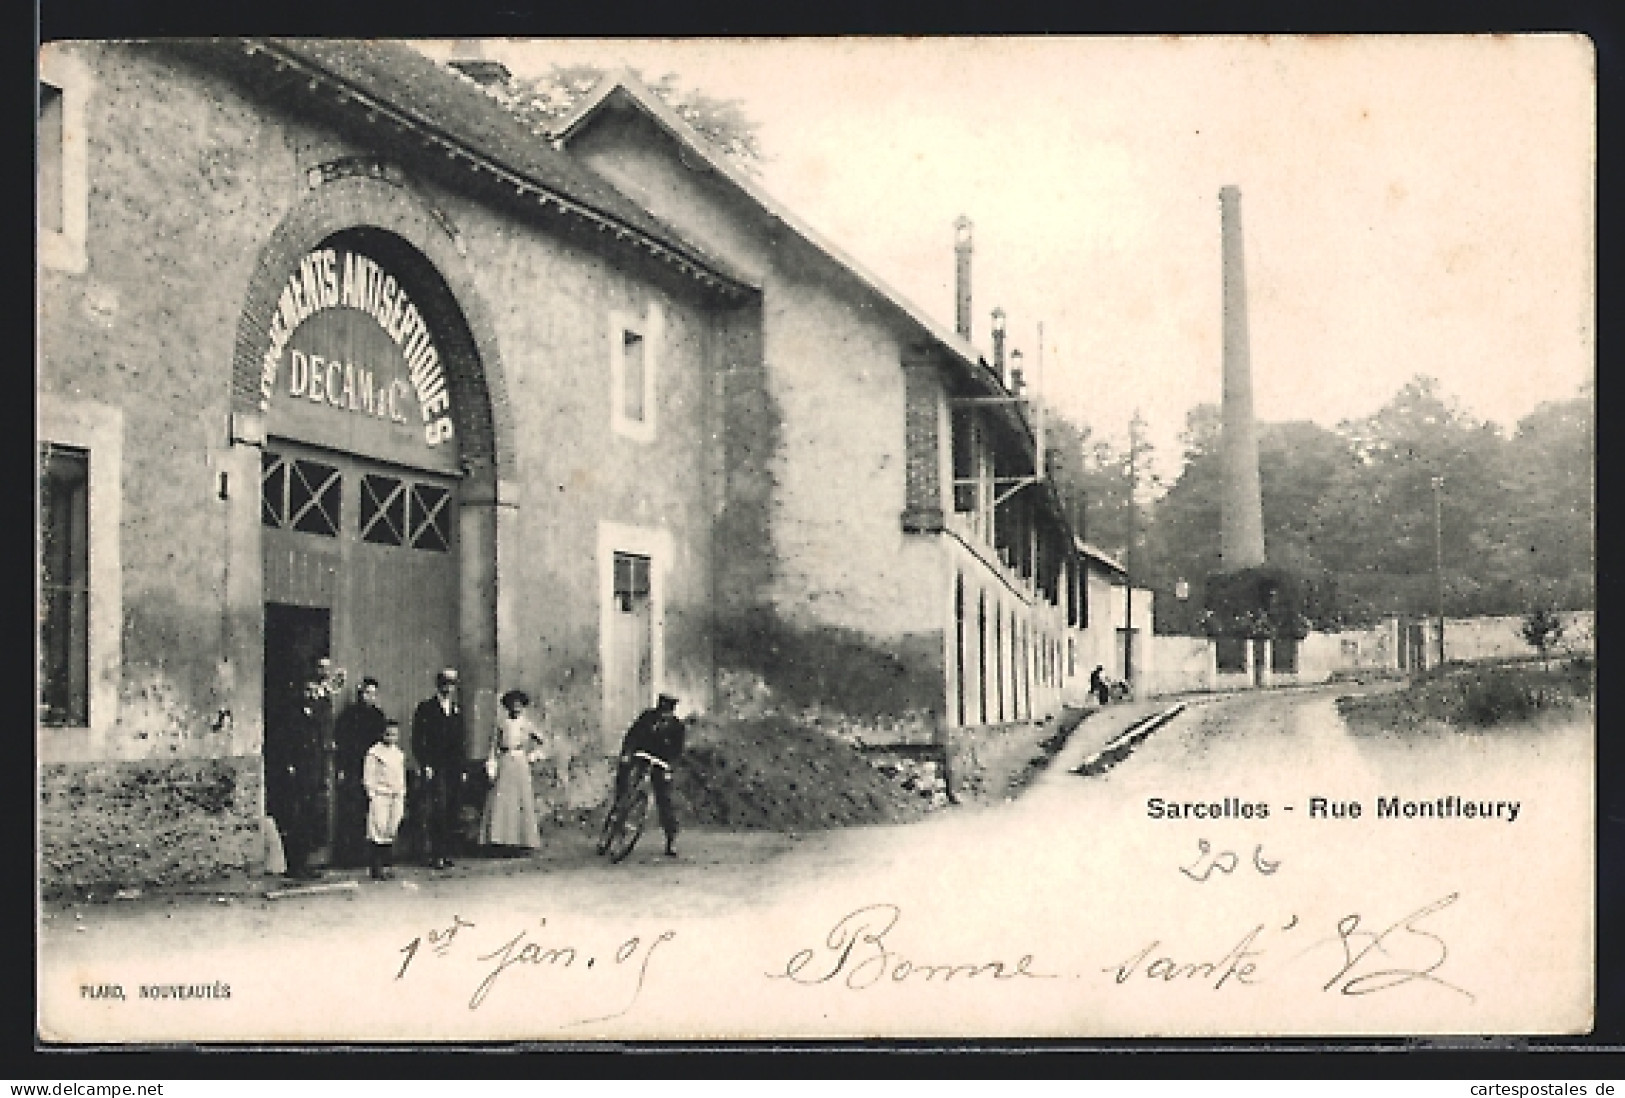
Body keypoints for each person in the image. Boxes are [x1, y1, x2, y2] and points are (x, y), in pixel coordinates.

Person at [268, 656, 342, 879]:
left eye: (314, 689)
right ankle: (294, 863)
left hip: (314, 768)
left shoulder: (321, 708)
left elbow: (323, 736)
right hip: (298, 770)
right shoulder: (293, 712)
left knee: (312, 815)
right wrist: (290, 764)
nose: (311, 692)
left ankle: (306, 862)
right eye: (308, 689)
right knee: (296, 815)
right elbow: (287, 739)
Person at [613, 693, 687, 857]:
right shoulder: (646, 718)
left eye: (667, 712)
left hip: (661, 763)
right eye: (661, 711)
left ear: (672, 712)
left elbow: (677, 752)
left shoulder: (677, 727)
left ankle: (670, 839)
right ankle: (618, 811)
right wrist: (627, 753)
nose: (664, 716)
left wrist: (670, 768)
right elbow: (632, 736)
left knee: (664, 799)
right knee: (625, 778)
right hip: (641, 757)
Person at [411, 668, 466, 869]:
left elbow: (460, 741)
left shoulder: (457, 710)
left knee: (451, 808)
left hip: (453, 767)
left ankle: (446, 851)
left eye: (452, 684)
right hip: (435, 766)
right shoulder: (426, 708)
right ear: (438, 685)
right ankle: (436, 854)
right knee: (438, 809)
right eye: (445, 684)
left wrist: (462, 767)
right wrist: (425, 763)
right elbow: (417, 739)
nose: (448, 688)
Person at [478, 690, 544, 853]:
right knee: (503, 799)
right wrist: (492, 764)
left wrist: (533, 755)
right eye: (513, 705)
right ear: (508, 707)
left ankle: (522, 840)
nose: (516, 708)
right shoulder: (502, 723)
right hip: (505, 760)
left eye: (519, 705)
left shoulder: (526, 724)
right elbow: (494, 746)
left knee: (521, 799)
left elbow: (541, 741)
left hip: (520, 761)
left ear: (523, 706)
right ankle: (500, 839)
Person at [333, 677, 387, 868]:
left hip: (373, 770)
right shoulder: (348, 716)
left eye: (373, 693)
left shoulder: (378, 717)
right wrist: (342, 768)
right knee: (352, 812)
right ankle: (349, 857)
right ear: (360, 694)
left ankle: (371, 856)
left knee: (373, 812)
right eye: (367, 693)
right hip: (353, 768)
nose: (370, 697)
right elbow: (341, 744)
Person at [364, 719, 408, 880]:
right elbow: (369, 776)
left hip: (396, 795)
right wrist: (372, 794)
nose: (391, 738)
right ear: (382, 734)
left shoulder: (398, 754)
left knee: (392, 827)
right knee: (378, 828)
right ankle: (376, 867)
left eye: (395, 734)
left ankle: (388, 865)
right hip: (381, 795)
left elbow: (400, 776)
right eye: (388, 734)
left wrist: (401, 792)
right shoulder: (374, 753)